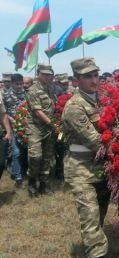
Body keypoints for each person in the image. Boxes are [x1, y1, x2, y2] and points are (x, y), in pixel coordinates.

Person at [62, 57, 110, 258]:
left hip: (102, 168)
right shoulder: (74, 106)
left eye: (95, 75)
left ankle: (94, 245)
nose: (93, 80)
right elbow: (95, 141)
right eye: (87, 76)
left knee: (100, 211)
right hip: (81, 169)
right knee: (89, 215)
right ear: (76, 80)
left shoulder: (102, 100)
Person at [25, 64, 58, 196]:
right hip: (35, 127)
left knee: (47, 156)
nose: (47, 76)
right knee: (36, 155)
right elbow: (38, 111)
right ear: (38, 74)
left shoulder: (50, 88)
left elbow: (53, 106)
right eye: (44, 74)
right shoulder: (33, 90)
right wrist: (53, 124)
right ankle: (32, 180)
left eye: (49, 74)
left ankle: (43, 184)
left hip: (48, 128)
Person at [4, 73, 27, 187]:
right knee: (16, 152)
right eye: (17, 84)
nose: (19, 86)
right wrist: (12, 120)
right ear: (12, 83)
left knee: (26, 151)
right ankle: (18, 177)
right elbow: (3, 113)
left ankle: (25, 171)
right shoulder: (5, 95)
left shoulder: (26, 94)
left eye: (21, 83)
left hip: (26, 127)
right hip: (12, 128)